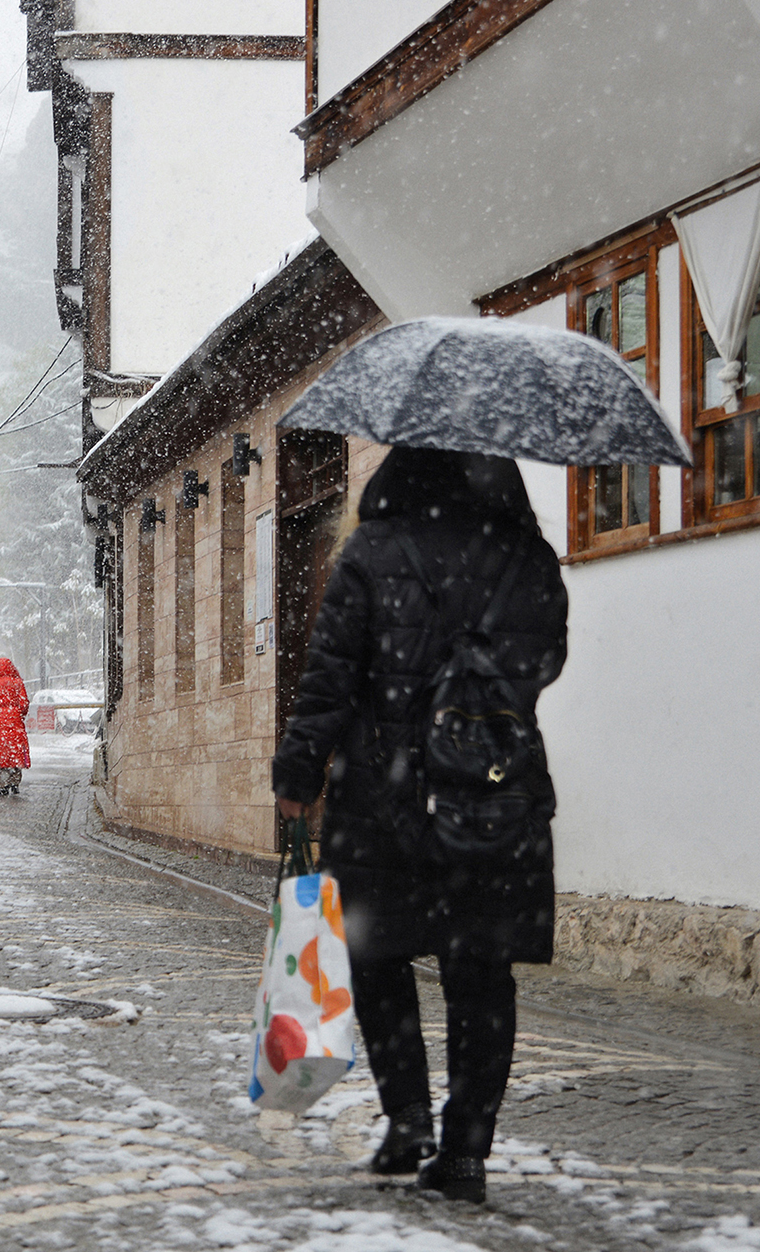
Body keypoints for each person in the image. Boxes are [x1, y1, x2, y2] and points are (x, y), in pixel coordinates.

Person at [270, 446, 568, 1205]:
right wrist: (474, 675)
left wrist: (298, 775)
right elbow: (546, 660)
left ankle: (408, 1120)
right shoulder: (525, 555)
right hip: (491, 795)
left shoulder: (371, 552)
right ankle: (466, 1152)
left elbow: (330, 675)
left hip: (384, 795)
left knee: (378, 957)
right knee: (481, 972)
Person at [0, 658, 31, 796]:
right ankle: (15, 783)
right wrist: (19, 715)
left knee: (0, 754)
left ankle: (2, 785)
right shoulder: (18, 683)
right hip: (15, 722)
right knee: (15, 754)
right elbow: (24, 704)